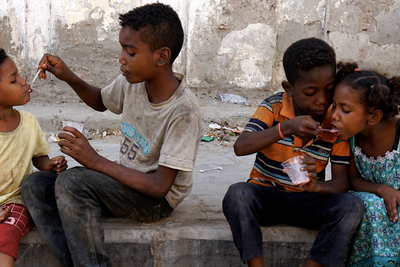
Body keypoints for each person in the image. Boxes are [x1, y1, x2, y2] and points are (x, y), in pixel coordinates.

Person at [21, 3, 203, 267]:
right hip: (125, 183)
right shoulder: (134, 82)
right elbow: (100, 100)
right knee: (34, 186)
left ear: (161, 56)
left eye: (130, 52)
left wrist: (93, 160)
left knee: (73, 182)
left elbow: (159, 187)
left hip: (154, 200)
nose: (121, 58)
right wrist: (69, 76)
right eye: (122, 49)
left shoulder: (184, 110)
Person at [222, 37, 365, 267]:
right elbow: (241, 146)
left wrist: (316, 186)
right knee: (237, 195)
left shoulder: (335, 121)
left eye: (328, 90)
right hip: (266, 195)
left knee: (352, 206)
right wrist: (284, 128)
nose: (321, 100)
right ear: (289, 88)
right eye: (310, 92)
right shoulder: (274, 107)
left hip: (308, 200)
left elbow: (340, 182)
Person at [0, 48, 67, 267]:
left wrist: (51, 165)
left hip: (15, 202)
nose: (23, 81)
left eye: (19, 75)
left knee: (5, 236)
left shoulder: (28, 122)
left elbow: (39, 158)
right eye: (13, 80)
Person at [331, 62, 400, 267]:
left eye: (345, 110)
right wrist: (382, 189)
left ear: (373, 116)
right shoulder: (349, 137)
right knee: (366, 204)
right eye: (334, 106)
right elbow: (352, 180)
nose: (334, 116)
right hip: (374, 200)